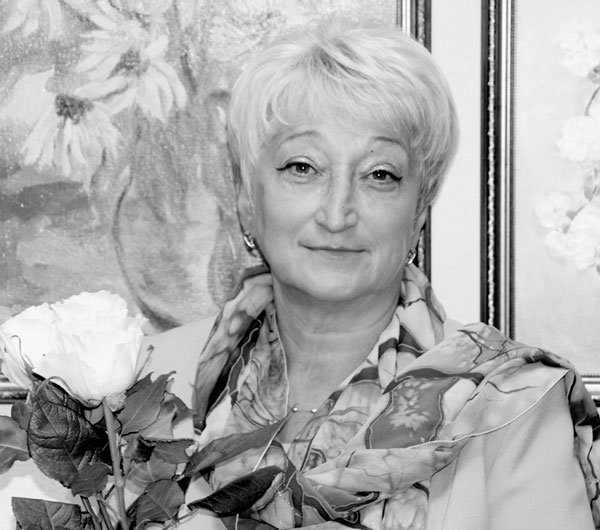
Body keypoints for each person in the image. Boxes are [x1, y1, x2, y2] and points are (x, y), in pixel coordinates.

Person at [146, 20, 600, 530]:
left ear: (419, 211)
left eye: (379, 175)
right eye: (303, 167)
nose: (337, 213)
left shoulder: (512, 404)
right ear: (247, 200)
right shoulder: (140, 388)